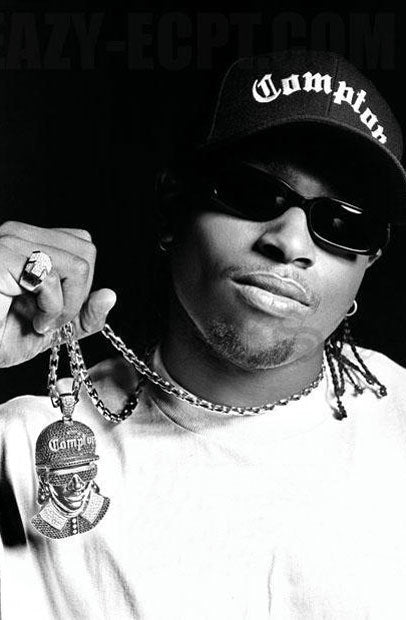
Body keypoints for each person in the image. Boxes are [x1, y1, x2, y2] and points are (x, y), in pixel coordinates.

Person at [1, 48, 406, 619]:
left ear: (369, 262)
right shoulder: (28, 449)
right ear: (173, 209)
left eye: (342, 224)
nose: (290, 243)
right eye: (252, 192)